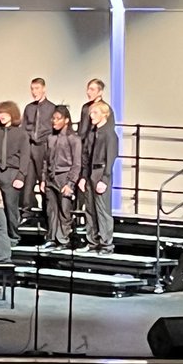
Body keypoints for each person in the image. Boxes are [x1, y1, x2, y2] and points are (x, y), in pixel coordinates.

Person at [0, 101, 30, 245]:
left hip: (12, 173)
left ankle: (13, 236)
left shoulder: (21, 133)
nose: (2, 116)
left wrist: (21, 176)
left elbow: (25, 156)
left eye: (5, 113)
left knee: (11, 207)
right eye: (0, 114)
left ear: (12, 114)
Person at [79, 100, 118, 254]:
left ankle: (106, 244)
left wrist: (105, 179)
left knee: (102, 210)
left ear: (104, 115)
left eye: (95, 113)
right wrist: (83, 177)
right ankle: (92, 242)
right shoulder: (91, 134)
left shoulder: (109, 135)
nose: (91, 116)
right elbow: (85, 157)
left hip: (101, 172)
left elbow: (111, 158)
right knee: (89, 210)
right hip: (89, 173)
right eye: (91, 113)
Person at [41, 106, 81, 249]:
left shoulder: (74, 139)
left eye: (58, 119)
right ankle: (51, 238)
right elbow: (45, 160)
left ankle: (63, 239)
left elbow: (77, 164)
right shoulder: (50, 138)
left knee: (64, 210)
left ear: (66, 120)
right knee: (51, 210)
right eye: (54, 118)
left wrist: (70, 183)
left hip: (64, 177)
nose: (54, 121)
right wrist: (43, 179)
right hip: (51, 178)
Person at [21, 77, 57, 215]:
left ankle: (45, 210)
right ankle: (26, 209)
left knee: (44, 178)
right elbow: (24, 128)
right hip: (30, 146)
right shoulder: (29, 108)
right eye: (32, 89)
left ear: (44, 89)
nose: (34, 92)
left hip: (44, 146)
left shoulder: (52, 108)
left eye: (37, 88)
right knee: (28, 179)